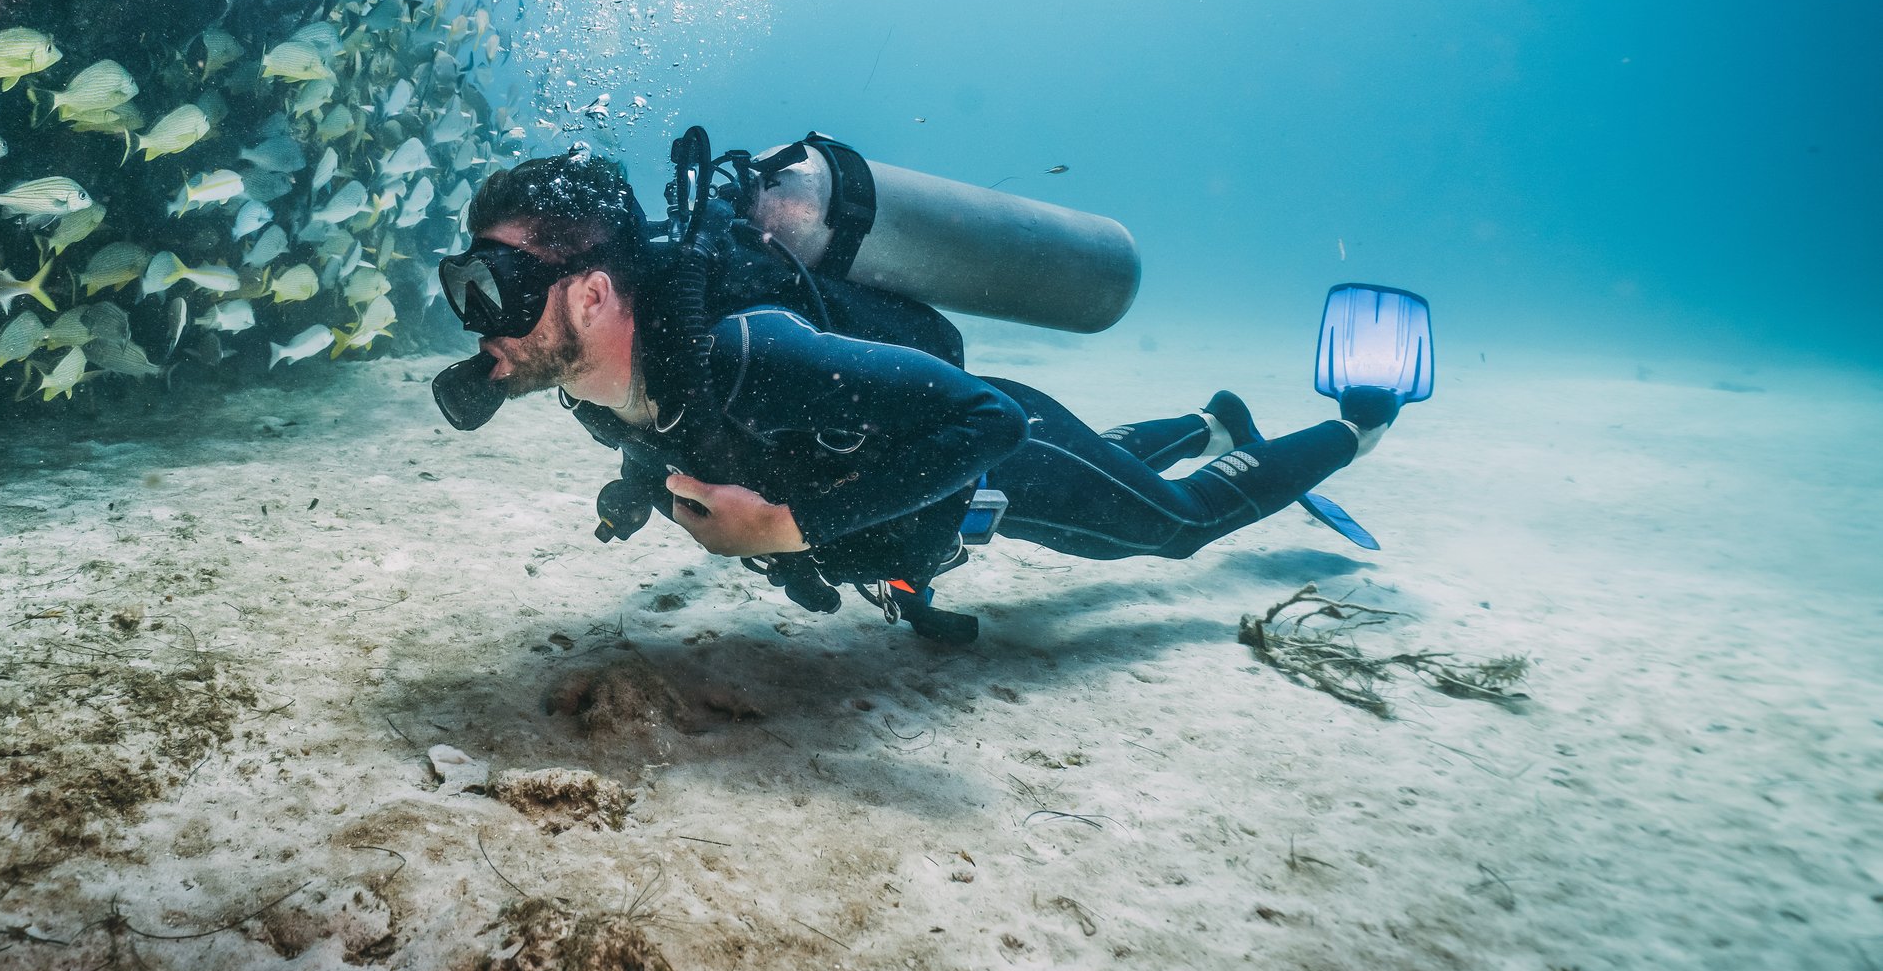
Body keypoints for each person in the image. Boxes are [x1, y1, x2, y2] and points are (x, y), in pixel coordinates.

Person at [437, 151, 1404, 621]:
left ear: (593, 294)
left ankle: (1358, 424)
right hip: (925, 448)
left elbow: (988, 420)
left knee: (1176, 525)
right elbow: (672, 437)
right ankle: (1209, 420)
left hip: (994, 459)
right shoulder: (596, 384)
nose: (478, 320)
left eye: (498, 287)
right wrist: (642, 484)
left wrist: (789, 528)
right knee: (1111, 464)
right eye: (465, 286)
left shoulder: (749, 355)